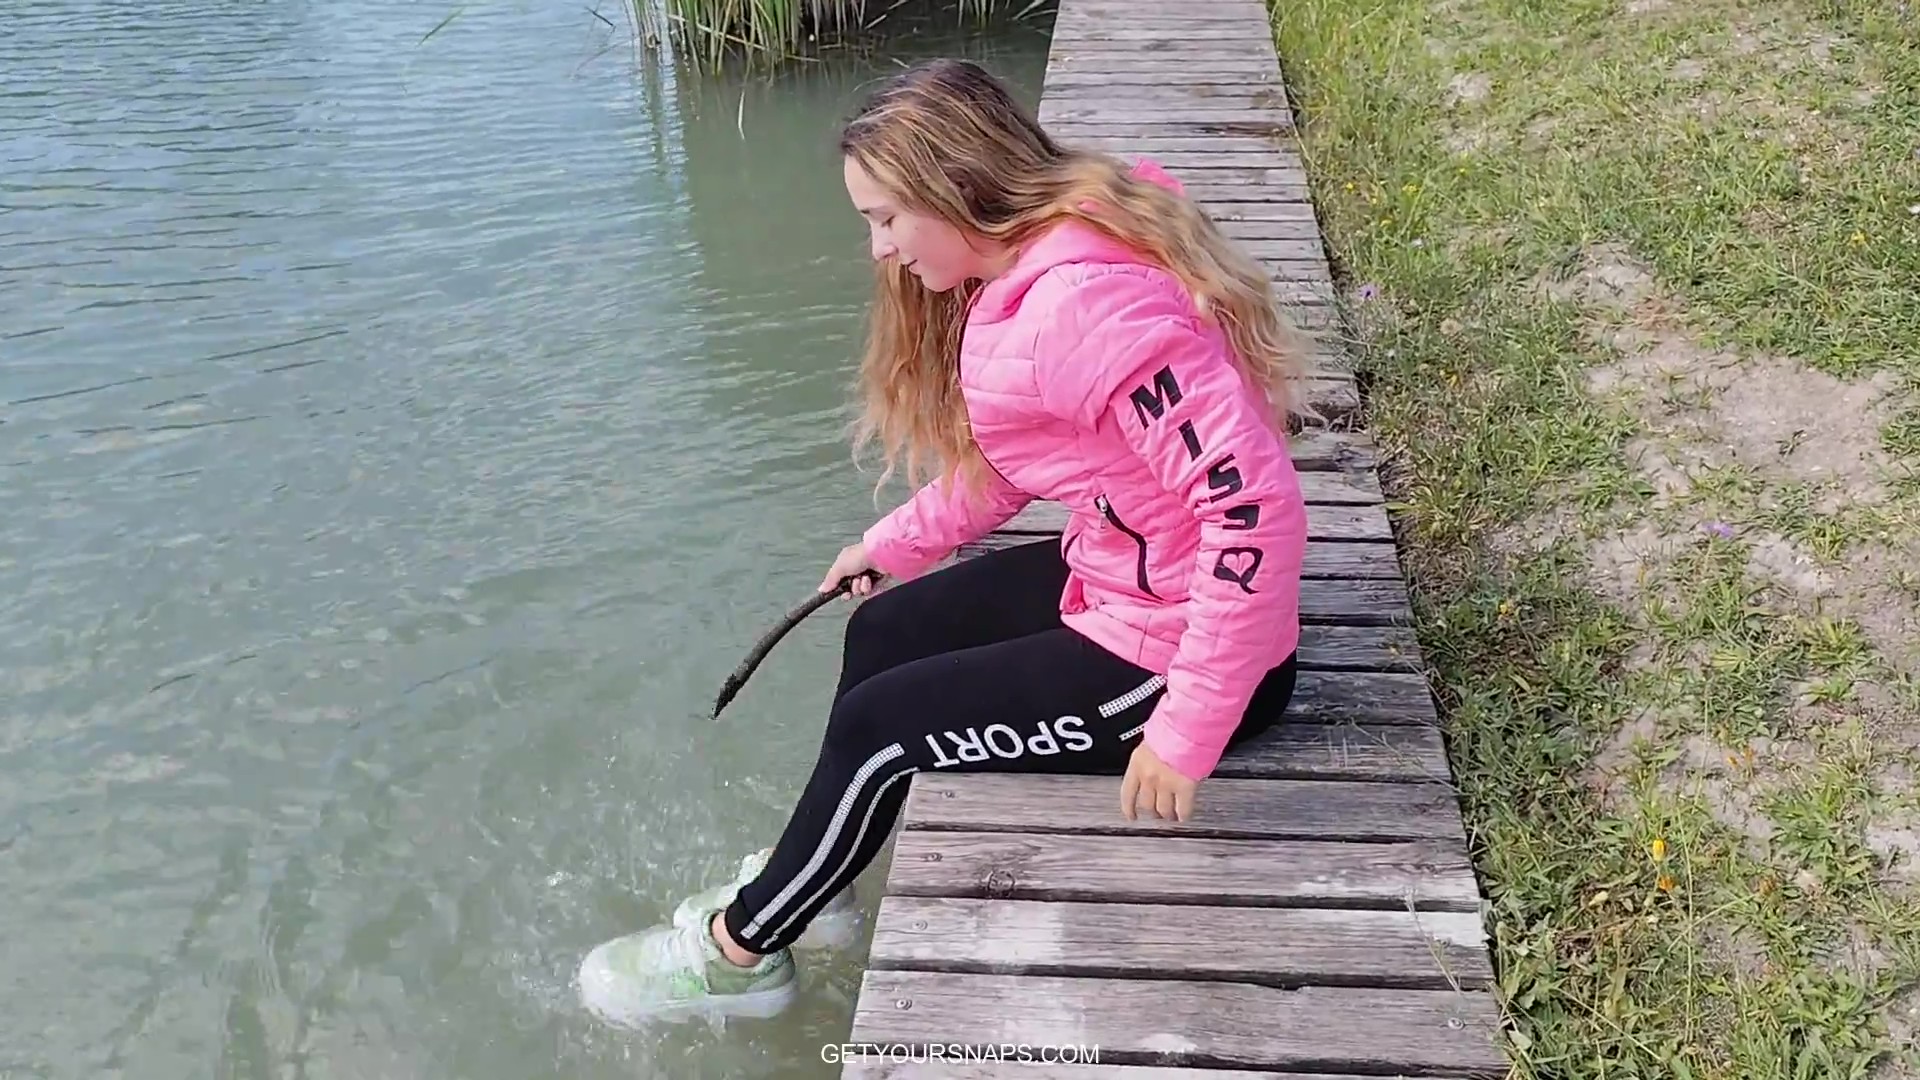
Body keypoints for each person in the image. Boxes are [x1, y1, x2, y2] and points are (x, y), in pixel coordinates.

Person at [577, 56, 1314, 1027]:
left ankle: (741, 954)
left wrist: (1187, 729)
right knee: (883, 633)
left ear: (954, 187)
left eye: (885, 219)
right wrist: (893, 542)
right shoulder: (1030, 272)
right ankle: (821, 877)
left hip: (1186, 659)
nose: (881, 251)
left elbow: (1252, 508)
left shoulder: (1082, 310)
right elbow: (1016, 463)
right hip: (1123, 573)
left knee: (878, 732)